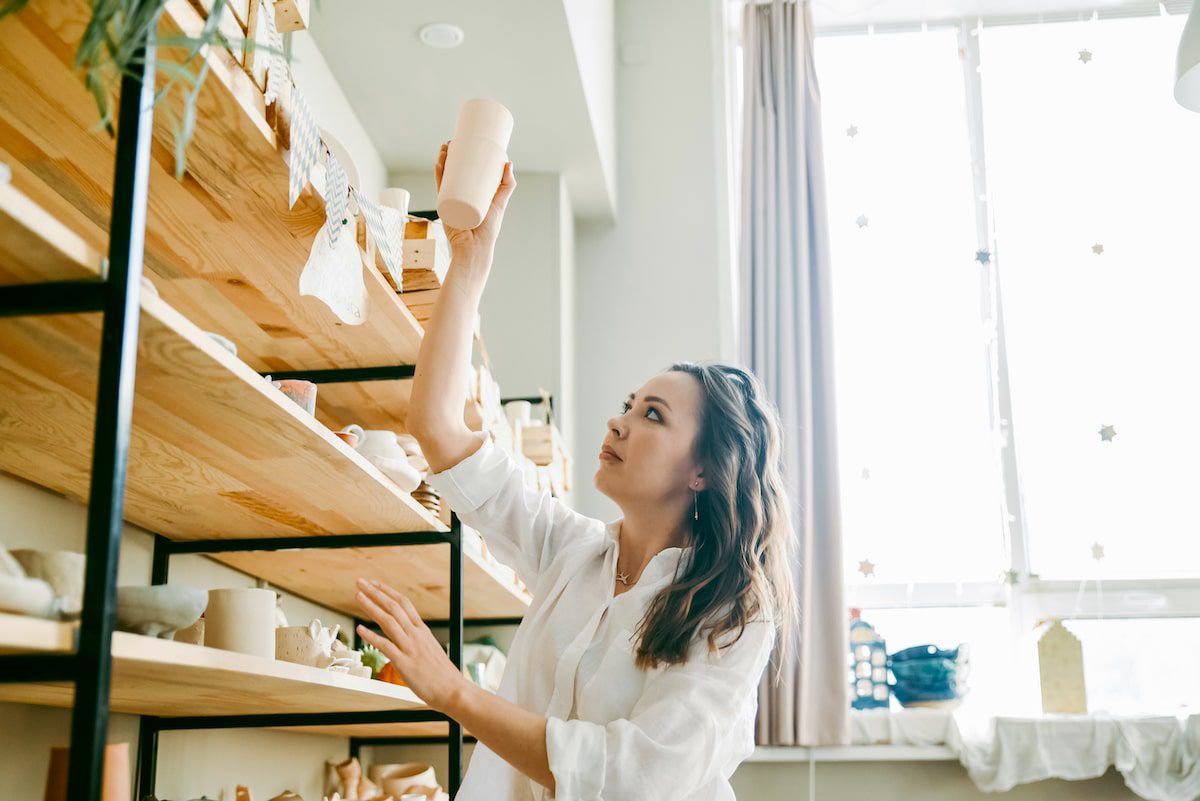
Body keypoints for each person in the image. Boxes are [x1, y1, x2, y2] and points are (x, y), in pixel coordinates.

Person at [355, 142, 799, 801]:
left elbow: (631, 779)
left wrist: (452, 689)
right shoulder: (573, 551)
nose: (618, 422)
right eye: (626, 405)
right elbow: (438, 429)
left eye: (652, 415)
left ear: (703, 469)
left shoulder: (734, 613)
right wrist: (470, 261)